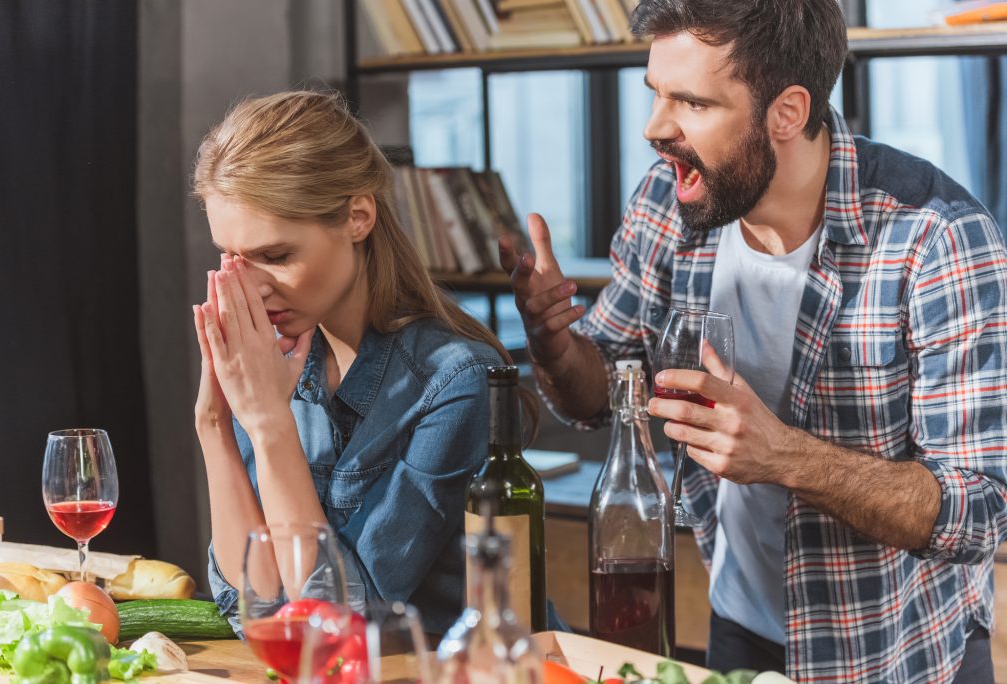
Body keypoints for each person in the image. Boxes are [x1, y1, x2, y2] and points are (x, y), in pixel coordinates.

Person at [500, 1, 1007, 682]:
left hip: (902, 656)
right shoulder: (669, 202)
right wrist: (551, 338)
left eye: (693, 104)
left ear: (788, 112)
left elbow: (982, 511)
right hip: (740, 632)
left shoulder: (938, 240)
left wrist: (783, 456)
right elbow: (601, 395)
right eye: (656, 94)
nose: (655, 128)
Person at [190, 90, 526, 636]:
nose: (250, 288)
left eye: (276, 256)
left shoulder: (457, 381)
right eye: (232, 258)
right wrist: (214, 426)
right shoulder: (274, 362)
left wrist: (270, 425)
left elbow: (340, 623)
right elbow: (250, 607)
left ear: (358, 217)